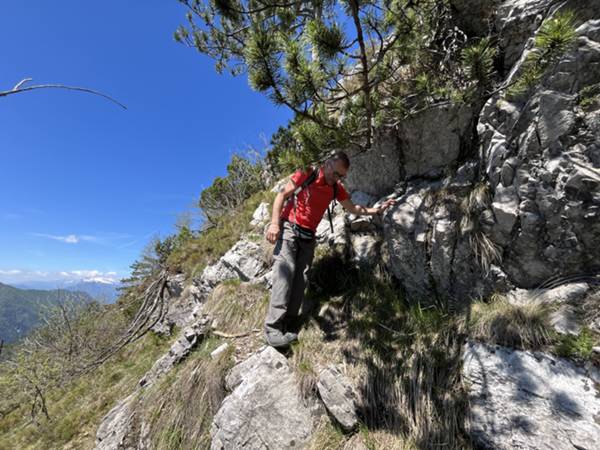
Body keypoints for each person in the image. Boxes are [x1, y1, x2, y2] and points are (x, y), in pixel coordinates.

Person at [264, 151, 396, 348]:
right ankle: (273, 329)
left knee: (301, 279)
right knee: (285, 272)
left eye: (342, 176)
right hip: (289, 229)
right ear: (326, 164)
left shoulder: (336, 189)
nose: (338, 178)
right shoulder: (306, 173)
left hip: (308, 237)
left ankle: (289, 323)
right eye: (336, 174)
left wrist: (377, 209)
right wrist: (275, 224)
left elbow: (353, 209)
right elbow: (281, 195)